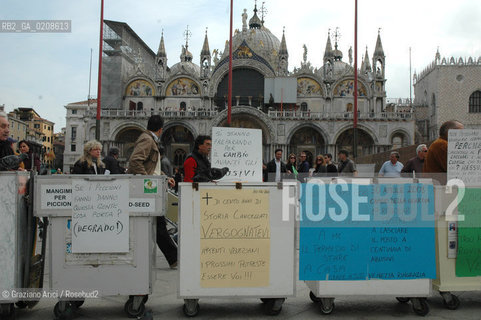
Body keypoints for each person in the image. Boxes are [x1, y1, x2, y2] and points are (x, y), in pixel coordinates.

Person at [128, 115, 177, 269]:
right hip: (148, 189)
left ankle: (174, 257)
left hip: (152, 186)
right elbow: (135, 161)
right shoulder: (147, 139)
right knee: (159, 224)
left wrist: (164, 177)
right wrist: (147, 181)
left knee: (157, 224)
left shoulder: (149, 138)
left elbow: (151, 166)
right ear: (161, 128)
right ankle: (174, 258)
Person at [423, 120, 464, 184]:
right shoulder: (442, 144)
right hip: (440, 186)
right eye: (460, 132)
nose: (463, 135)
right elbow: (451, 167)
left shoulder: (440, 143)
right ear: (449, 132)